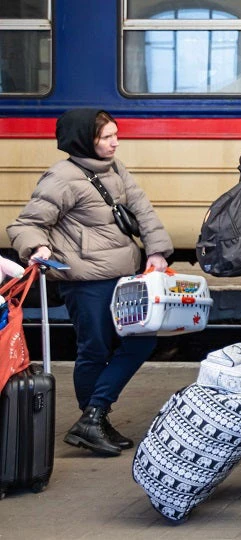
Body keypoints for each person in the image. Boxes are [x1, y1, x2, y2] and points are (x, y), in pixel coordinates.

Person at [7, 108, 174, 457]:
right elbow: (25, 224)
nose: (116, 142)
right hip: (85, 281)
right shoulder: (61, 177)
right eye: (107, 137)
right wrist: (36, 246)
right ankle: (93, 420)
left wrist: (157, 250)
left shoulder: (116, 169)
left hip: (124, 277)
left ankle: (93, 416)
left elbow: (143, 210)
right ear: (85, 139)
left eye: (115, 134)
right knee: (95, 349)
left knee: (142, 341)